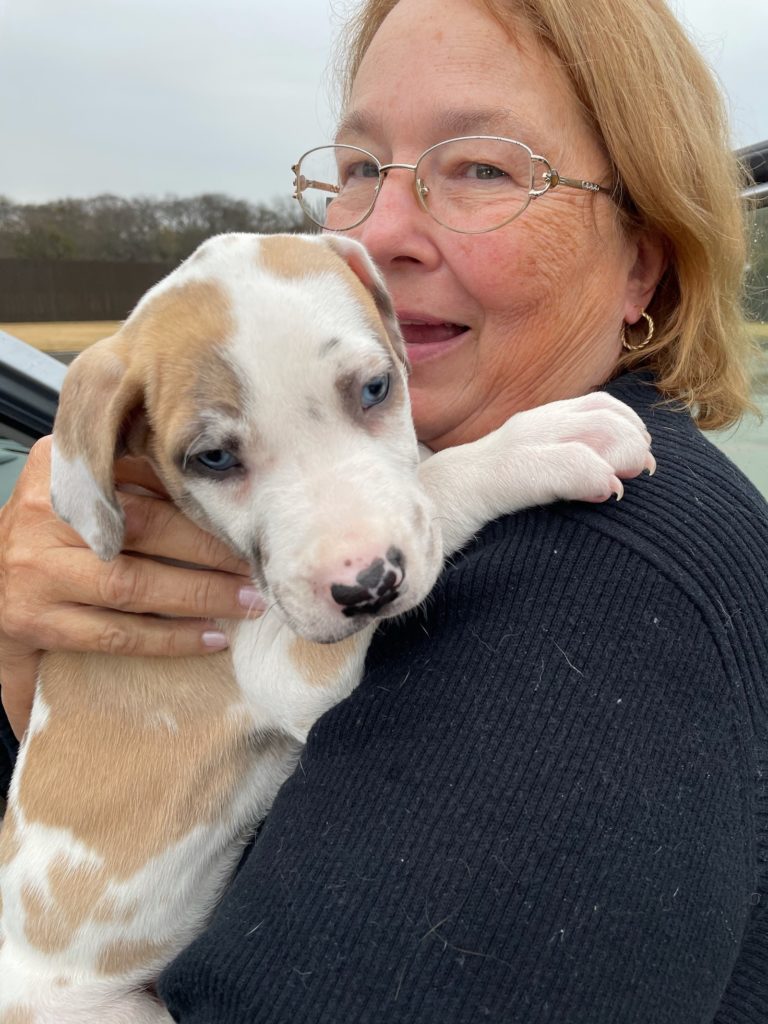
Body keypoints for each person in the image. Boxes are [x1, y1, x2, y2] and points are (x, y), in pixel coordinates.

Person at [1, 0, 767, 1019]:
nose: (382, 228)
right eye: (360, 169)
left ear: (641, 262)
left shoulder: (605, 580)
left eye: (483, 167)